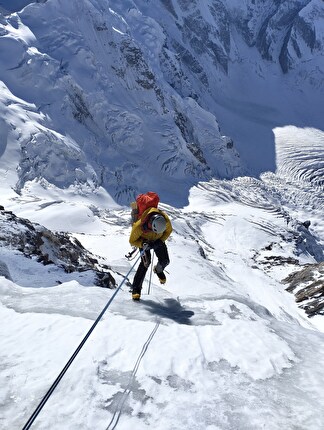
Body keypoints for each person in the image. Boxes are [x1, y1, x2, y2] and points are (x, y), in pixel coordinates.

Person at [129, 206, 172, 300]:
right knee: (145, 263)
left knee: (165, 261)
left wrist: (160, 241)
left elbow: (168, 231)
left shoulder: (165, 221)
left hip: (158, 240)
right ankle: (136, 289)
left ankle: (158, 270)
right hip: (145, 242)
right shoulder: (139, 226)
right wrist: (142, 244)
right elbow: (132, 241)